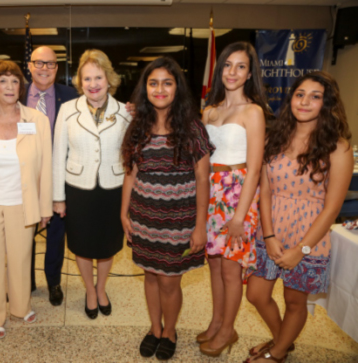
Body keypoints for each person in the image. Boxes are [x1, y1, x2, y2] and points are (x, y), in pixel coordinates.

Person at [244, 72, 353, 363]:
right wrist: (268, 236)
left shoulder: (338, 148)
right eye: (299, 94)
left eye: (315, 96)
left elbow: (332, 208)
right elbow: (264, 191)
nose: (305, 102)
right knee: (255, 294)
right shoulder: (275, 137)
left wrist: (301, 249)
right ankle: (284, 338)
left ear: (326, 104)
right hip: (271, 228)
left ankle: (279, 351)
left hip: (309, 235)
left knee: (294, 301)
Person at [121, 57, 213, 360]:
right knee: (150, 276)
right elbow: (131, 174)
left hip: (180, 221)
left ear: (177, 88)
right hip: (144, 218)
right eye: (153, 82)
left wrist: (200, 226)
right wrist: (124, 214)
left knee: (170, 281)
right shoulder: (138, 127)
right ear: (145, 88)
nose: (160, 89)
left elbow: (202, 178)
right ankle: (154, 328)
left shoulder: (192, 128)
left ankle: (170, 331)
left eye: (167, 82)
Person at [0, 60, 52, 339]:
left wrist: (45, 206)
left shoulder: (36, 120)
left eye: (15, 81)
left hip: (22, 201)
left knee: (21, 258)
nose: (9, 86)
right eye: (2, 80)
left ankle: (20, 307)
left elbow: (46, 166)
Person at [199, 41, 269, 357]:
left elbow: (254, 169)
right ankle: (217, 322)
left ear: (249, 73)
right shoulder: (209, 111)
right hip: (211, 193)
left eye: (240, 66)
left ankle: (228, 330)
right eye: (228, 65)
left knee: (231, 271)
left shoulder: (253, 112)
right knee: (214, 265)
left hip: (237, 194)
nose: (232, 72)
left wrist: (240, 216)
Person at [52, 49, 131, 319]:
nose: (93, 84)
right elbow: (57, 155)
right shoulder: (67, 110)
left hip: (113, 189)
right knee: (83, 245)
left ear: (109, 79)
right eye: (87, 79)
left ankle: (101, 288)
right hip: (78, 190)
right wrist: (57, 197)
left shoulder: (124, 112)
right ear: (80, 82)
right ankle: (88, 290)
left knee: (108, 245)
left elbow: (131, 155)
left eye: (98, 77)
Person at [24, 46, 78, 306]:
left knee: (56, 233)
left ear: (57, 68)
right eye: (39, 63)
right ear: (29, 65)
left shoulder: (70, 96)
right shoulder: (15, 93)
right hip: (23, 178)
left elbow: (96, 111)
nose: (44, 68)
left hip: (58, 176)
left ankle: (53, 282)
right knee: (23, 232)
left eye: (51, 64)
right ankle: (26, 281)